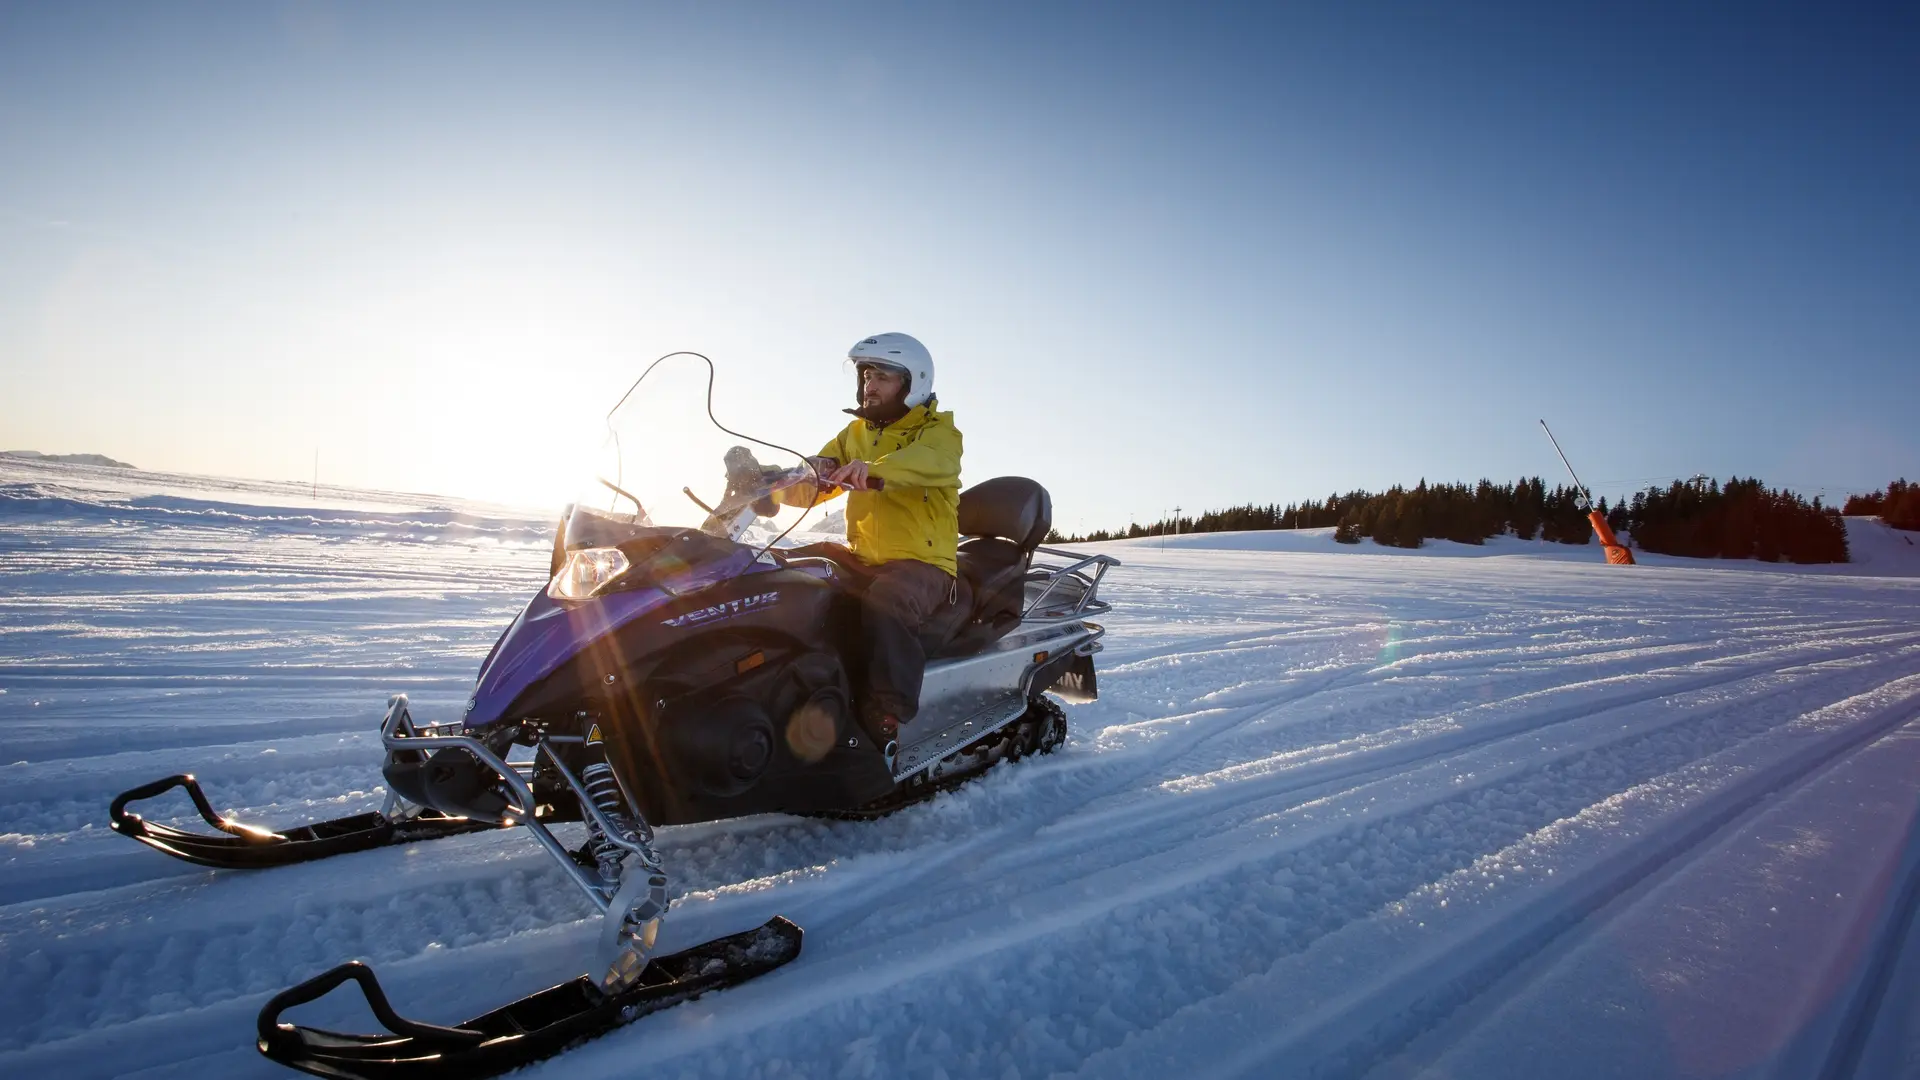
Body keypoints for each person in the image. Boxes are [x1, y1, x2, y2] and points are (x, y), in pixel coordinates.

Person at [786, 332, 962, 745]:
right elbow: (814, 482)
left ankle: (886, 714)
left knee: (889, 599)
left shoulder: (939, 432)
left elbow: (930, 463)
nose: (871, 385)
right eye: (867, 375)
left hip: (924, 564)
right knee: (787, 569)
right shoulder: (854, 433)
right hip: (861, 556)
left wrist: (874, 469)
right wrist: (770, 483)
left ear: (912, 382)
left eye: (883, 375)